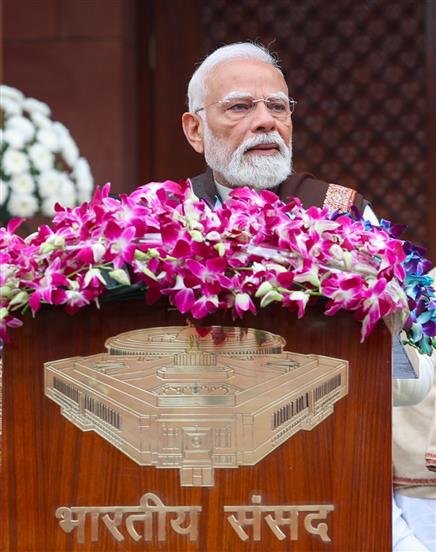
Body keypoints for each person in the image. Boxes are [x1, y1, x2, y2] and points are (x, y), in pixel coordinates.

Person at [180, 41, 435, 550]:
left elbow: (411, 355)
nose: (265, 122)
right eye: (240, 106)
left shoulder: (339, 212)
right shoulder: (164, 220)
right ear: (195, 129)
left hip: (337, 450)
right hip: (198, 457)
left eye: (277, 107)